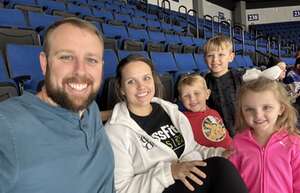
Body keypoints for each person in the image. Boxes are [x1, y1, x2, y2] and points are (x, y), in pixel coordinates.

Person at [0, 18, 115, 193]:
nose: (80, 71)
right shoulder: (7, 127)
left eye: (91, 60)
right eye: (66, 57)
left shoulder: (90, 108)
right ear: (44, 63)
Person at [104, 54, 248, 193]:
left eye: (146, 78)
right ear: (121, 88)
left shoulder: (170, 111)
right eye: (131, 81)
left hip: (189, 180)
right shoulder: (115, 131)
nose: (141, 86)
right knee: (220, 168)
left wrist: (221, 153)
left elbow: (192, 149)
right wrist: (169, 173)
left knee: (229, 162)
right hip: (162, 188)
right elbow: (121, 189)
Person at [229, 76, 300, 193]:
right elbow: (232, 182)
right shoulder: (238, 142)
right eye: (249, 109)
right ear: (242, 111)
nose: (258, 115)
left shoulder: (294, 143)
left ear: (281, 109)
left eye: (266, 107)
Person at [177, 73, 232, 149]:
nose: (192, 99)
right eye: (186, 96)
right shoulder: (182, 119)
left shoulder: (214, 113)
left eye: (196, 93)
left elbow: (225, 137)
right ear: (180, 99)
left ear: (207, 94)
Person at [204, 35, 243, 137]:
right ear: (205, 59)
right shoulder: (204, 82)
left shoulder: (240, 78)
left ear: (231, 57)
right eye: (210, 55)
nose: (215, 59)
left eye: (221, 54)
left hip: (241, 130)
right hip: (218, 134)